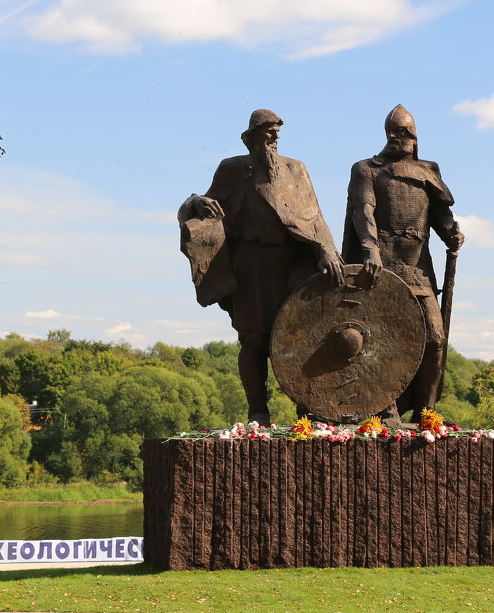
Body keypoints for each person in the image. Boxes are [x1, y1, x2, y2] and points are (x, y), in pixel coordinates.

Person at [179, 109, 345, 425]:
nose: (274, 138)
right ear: (251, 137)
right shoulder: (232, 169)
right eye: (267, 132)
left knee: (303, 335)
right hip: (252, 265)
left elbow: (314, 217)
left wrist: (327, 250)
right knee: (253, 339)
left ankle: (308, 411)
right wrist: (197, 202)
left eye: (277, 132)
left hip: (294, 262)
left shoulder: (297, 170)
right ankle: (258, 411)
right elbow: (206, 203)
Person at [341, 104, 464, 420]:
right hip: (384, 268)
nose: (398, 136)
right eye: (393, 131)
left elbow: (441, 215)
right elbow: (362, 211)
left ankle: (426, 411)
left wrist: (451, 232)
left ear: (415, 135)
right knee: (389, 339)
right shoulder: (367, 169)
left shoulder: (428, 171)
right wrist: (370, 251)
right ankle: (387, 409)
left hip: (419, 269)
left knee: (434, 339)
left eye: (404, 131)